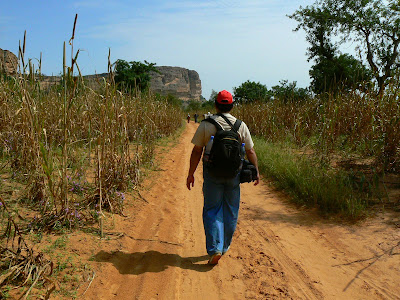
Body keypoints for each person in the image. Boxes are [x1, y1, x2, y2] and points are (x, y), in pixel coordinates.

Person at [186, 90, 259, 265]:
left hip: (212, 174)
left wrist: (191, 174)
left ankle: (214, 248)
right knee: (231, 210)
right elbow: (250, 151)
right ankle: (224, 246)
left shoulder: (206, 124)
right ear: (232, 106)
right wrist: (256, 170)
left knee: (212, 209)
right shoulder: (240, 125)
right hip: (234, 175)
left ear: (216, 106)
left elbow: (197, 151)